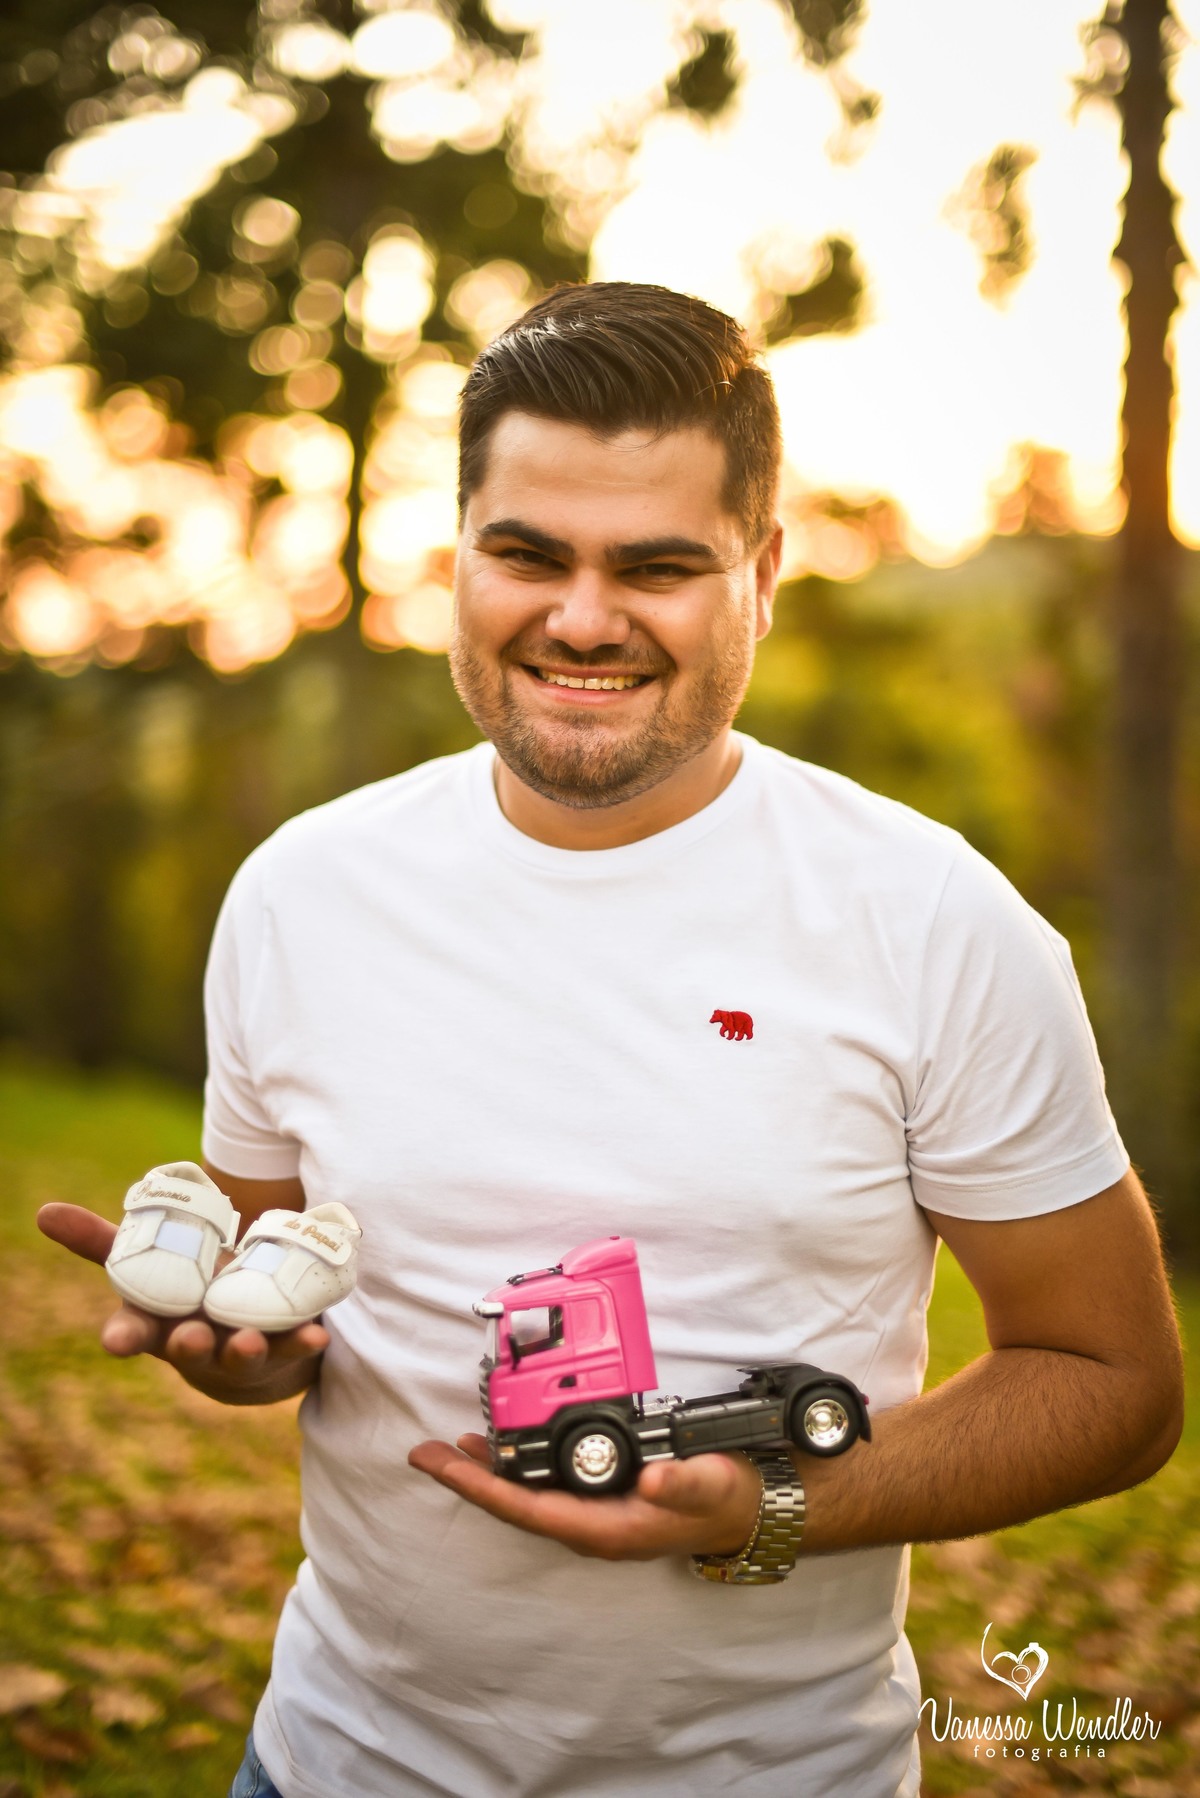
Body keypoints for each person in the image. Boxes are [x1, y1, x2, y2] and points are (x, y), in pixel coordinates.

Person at [39, 281, 1183, 1798]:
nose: (582, 619)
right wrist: (241, 1352)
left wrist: (774, 1501)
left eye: (657, 565)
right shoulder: (298, 894)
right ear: (460, 554)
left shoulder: (934, 920)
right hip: (333, 1758)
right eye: (528, 555)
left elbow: (1112, 1379)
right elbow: (278, 1291)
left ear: (761, 575)